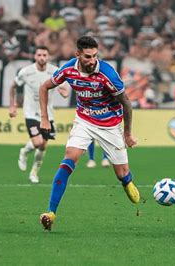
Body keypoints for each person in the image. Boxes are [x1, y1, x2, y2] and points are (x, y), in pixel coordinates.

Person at [38, 36, 140, 231]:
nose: (92, 60)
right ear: (77, 54)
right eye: (87, 56)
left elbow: (126, 103)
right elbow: (45, 87)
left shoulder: (107, 74)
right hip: (84, 120)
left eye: (95, 56)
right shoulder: (68, 69)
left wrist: (127, 133)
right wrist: (44, 118)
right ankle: (51, 212)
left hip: (110, 124)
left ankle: (127, 182)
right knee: (69, 158)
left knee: (122, 173)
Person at [9, 46, 69, 183]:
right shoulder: (26, 72)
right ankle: (24, 152)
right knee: (38, 142)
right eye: (39, 55)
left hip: (47, 114)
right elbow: (13, 85)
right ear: (35, 56)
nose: (42, 57)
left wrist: (63, 91)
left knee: (43, 146)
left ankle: (34, 173)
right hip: (30, 112)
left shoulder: (54, 71)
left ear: (48, 57)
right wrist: (12, 105)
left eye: (44, 55)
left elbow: (63, 86)